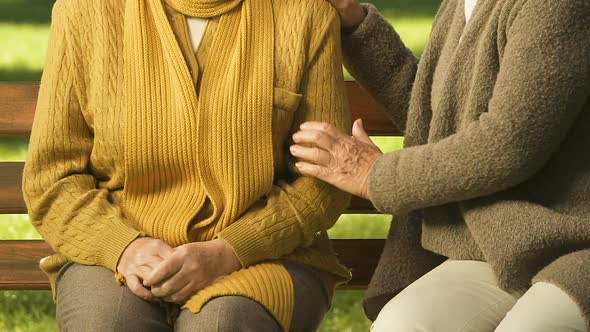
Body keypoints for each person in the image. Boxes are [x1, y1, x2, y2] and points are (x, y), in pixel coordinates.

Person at [22, 0, 352, 330]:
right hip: (115, 252)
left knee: (221, 325)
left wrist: (231, 250)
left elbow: (323, 182)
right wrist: (123, 246)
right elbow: (52, 178)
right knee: (107, 324)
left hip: (266, 255)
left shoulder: (306, 13)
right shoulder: (84, 10)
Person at [291, 0, 590, 331]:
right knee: (400, 325)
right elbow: (440, 119)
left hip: (576, 249)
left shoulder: (558, 5)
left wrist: (374, 175)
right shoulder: (461, 5)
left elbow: (507, 144)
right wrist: (356, 27)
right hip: (496, 250)